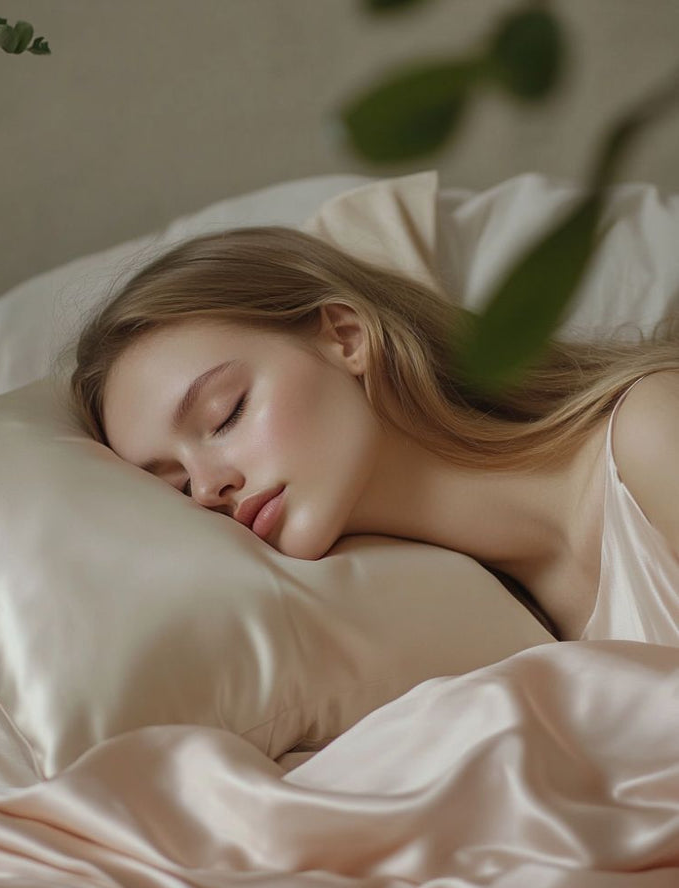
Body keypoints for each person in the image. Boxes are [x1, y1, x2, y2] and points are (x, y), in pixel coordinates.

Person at [70, 225, 679, 643]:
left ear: (345, 336)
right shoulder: (487, 636)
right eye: (176, 488)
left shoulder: (651, 438)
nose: (207, 488)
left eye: (225, 414)